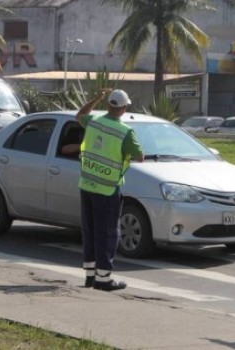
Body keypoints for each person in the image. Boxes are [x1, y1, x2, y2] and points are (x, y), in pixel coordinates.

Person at [76, 88, 144, 291]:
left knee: (89, 230)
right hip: (107, 190)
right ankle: (103, 279)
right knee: (107, 233)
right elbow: (140, 156)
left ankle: (90, 275)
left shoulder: (93, 122)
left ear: (108, 105)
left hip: (87, 185)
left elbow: (80, 115)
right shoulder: (125, 132)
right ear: (123, 108)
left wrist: (96, 97)